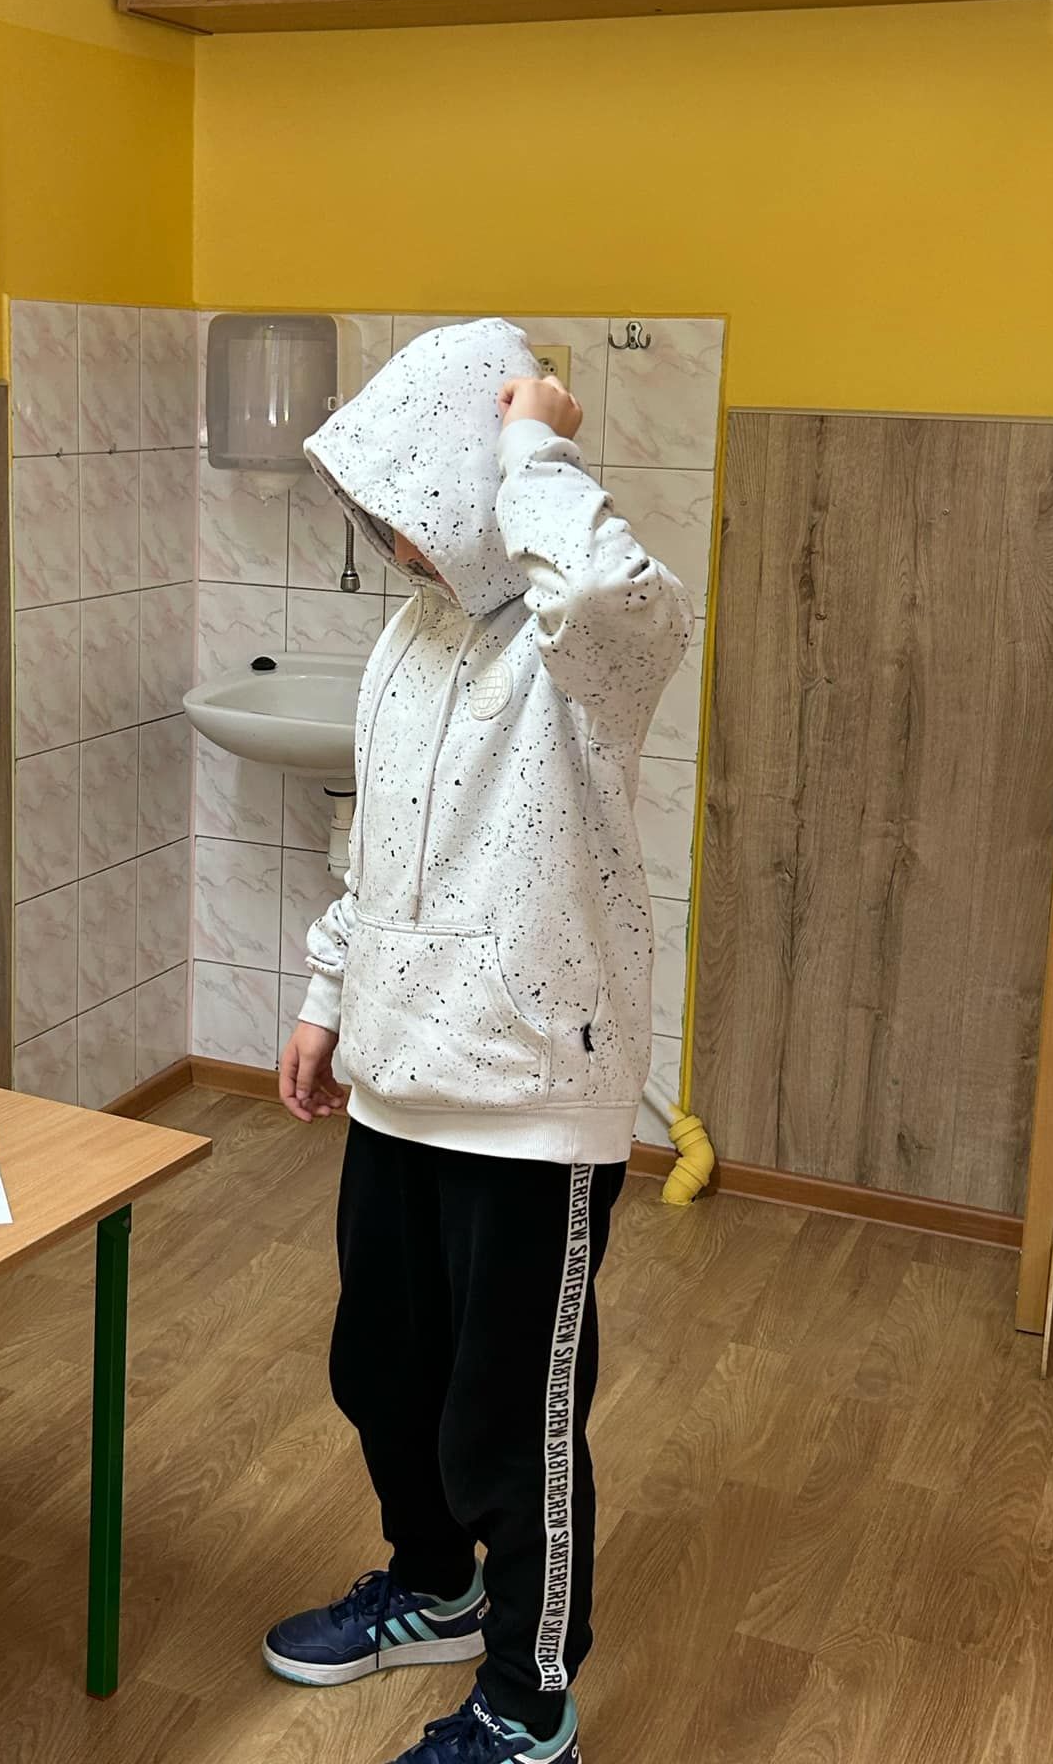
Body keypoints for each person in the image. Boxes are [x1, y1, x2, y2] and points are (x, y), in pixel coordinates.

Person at [262, 319, 693, 1764]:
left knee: (511, 1427)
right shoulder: (413, 634)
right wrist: (329, 992)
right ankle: (437, 1588)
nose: (392, 535)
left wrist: (533, 447)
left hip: (531, 1097)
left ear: (473, 477)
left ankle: (527, 1703)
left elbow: (617, 593)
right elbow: (381, 843)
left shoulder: (589, 653)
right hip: (399, 1078)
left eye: (410, 500)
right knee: (382, 1375)